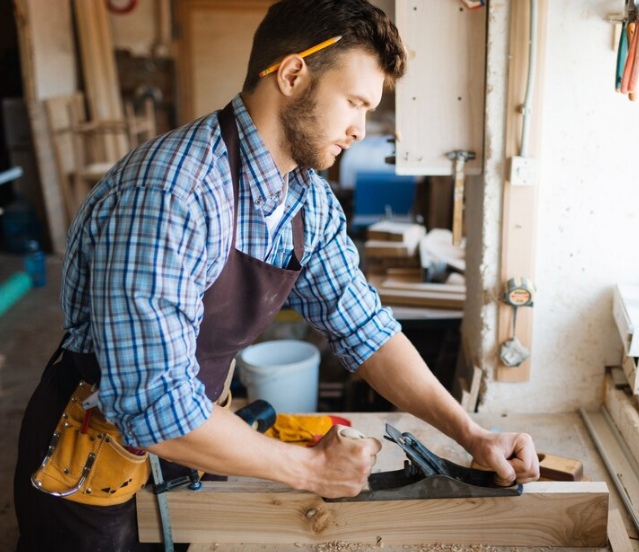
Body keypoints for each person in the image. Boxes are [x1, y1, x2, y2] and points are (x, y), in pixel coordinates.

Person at [14, 1, 540, 550]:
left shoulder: (305, 200)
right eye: (355, 103)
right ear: (292, 74)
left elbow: (365, 329)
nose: (361, 130)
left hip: (201, 442)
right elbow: (154, 404)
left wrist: (472, 435)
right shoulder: (175, 192)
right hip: (89, 462)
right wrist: (310, 471)